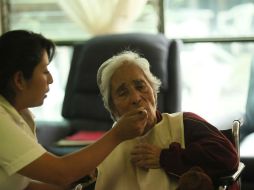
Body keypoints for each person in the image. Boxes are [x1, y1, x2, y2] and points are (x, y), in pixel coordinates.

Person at [0, 30, 147, 190]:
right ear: (19, 80)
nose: (51, 79)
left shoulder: (20, 115)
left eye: (141, 86)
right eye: (44, 71)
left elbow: (23, 186)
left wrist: (76, 183)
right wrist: (117, 134)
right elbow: (60, 173)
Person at [95, 50, 239, 190]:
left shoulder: (185, 123)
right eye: (123, 93)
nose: (136, 98)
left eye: (140, 86)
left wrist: (165, 158)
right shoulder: (108, 146)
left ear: (153, 91)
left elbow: (228, 159)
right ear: (113, 109)